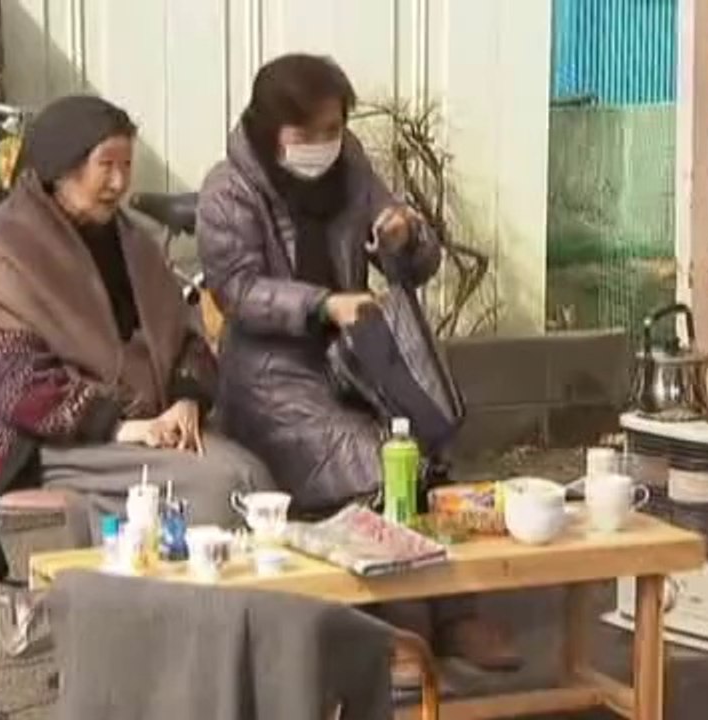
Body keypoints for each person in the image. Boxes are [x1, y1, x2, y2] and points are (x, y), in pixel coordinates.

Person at [196, 54, 520, 672]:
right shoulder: (228, 189)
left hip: (356, 359)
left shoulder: (351, 169)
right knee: (374, 462)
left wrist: (403, 237)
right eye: (307, 133)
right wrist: (322, 303)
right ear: (270, 130)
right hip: (274, 376)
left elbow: (415, 265)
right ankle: (398, 627)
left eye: (332, 130)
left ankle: (455, 614)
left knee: (430, 445)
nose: (322, 145)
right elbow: (235, 289)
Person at [0, 95, 272, 582]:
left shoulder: (130, 241)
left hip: (154, 425)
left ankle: (240, 640)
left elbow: (187, 335)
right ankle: (168, 637)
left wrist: (186, 399)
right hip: (54, 443)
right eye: (105, 166)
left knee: (253, 480)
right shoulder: (6, 253)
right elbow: (13, 383)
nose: (119, 182)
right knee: (217, 490)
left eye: (126, 166)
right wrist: (120, 426)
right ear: (59, 169)